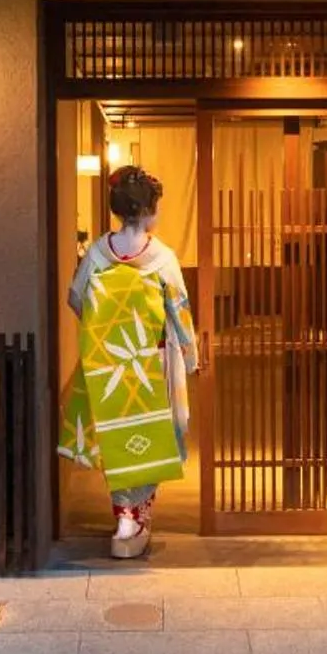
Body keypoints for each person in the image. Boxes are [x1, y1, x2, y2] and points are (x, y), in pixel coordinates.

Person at [64, 165, 200, 558]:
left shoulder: (97, 254)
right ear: (148, 209)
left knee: (116, 434)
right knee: (153, 435)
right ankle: (135, 516)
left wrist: (108, 329)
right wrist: (190, 357)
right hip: (151, 362)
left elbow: (76, 299)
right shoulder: (162, 257)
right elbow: (179, 311)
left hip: (111, 362)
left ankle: (125, 514)